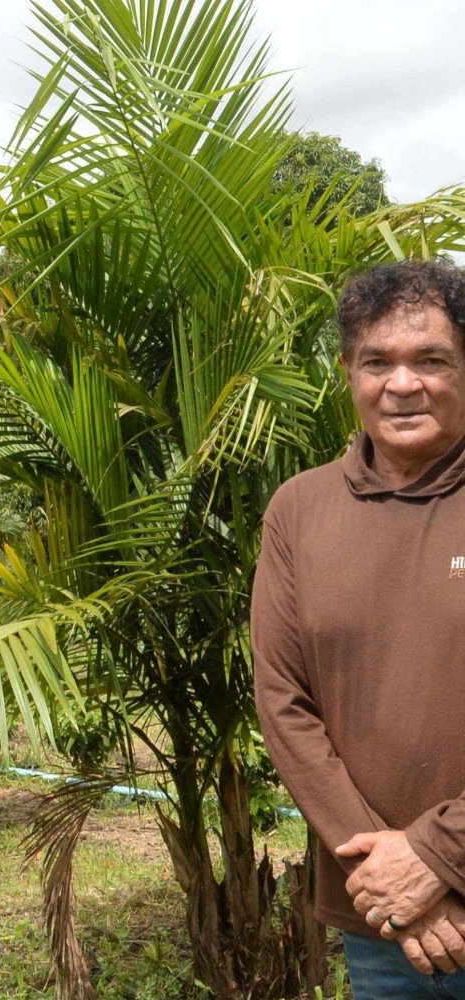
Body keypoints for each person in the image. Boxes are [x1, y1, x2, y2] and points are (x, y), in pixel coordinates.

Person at [252, 260, 465, 999]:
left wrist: (437, 856)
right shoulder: (299, 510)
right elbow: (283, 703)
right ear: (348, 373)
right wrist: (385, 876)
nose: (402, 384)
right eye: (377, 362)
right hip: (379, 918)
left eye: (431, 360)